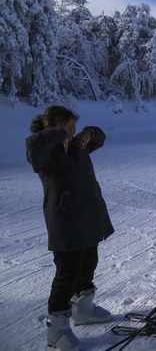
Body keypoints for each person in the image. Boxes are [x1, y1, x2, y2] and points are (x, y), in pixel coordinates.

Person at [26, 106, 114, 350]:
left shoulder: (77, 144)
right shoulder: (44, 151)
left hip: (88, 216)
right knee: (66, 272)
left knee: (88, 261)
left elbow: (100, 136)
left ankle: (83, 310)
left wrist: (87, 132)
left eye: (73, 125)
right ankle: (56, 329)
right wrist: (60, 134)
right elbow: (32, 144)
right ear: (49, 127)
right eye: (66, 125)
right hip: (65, 221)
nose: (71, 130)